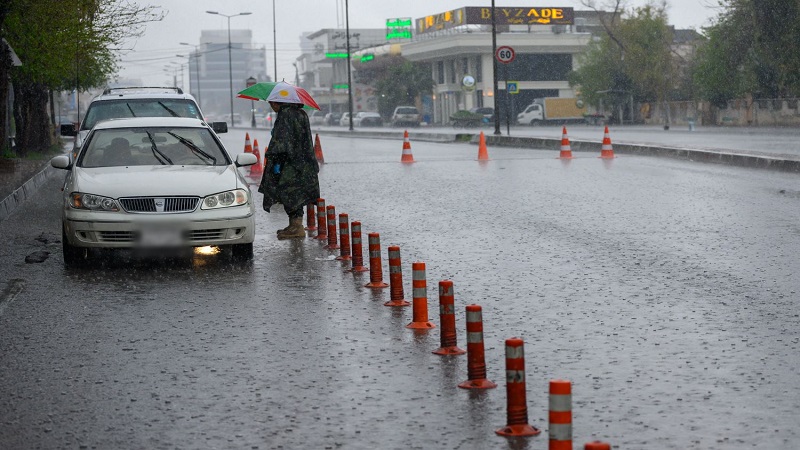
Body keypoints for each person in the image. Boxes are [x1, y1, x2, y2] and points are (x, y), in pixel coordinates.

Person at [258, 101, 320, 239]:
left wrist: (276, 161)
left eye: (271, 103)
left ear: (276, 102)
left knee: (288, 193)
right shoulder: (300, 113)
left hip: (290, 162)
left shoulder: (286, 115)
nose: (271, 106)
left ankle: (297, 227)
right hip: (302, 161)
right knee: (297, 194)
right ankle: (294, 225)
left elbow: (283, 144)